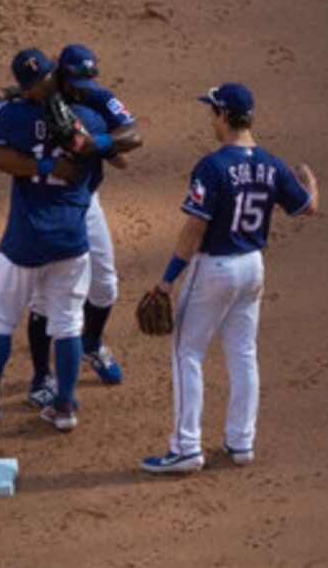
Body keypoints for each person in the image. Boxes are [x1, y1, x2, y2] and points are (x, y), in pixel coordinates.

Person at [136, 83, 318, 474]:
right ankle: (241, 442)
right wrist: (309, 179)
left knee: (187, 352)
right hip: (253, 267)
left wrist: (167, 280)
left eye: (211, 112)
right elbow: (307, 207)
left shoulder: (213, 166)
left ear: (222, 116)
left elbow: (194, 230)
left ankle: (185, 447)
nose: (210, 120)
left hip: (214, 267)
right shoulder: (272, 164)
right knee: (243, 353)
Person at [0, 50, 108, 431]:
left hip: (24, 239)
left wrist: (9, 95)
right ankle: (65, 406)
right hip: (72, 238)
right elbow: (116, 152)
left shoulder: (16, 117)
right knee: (69, 324)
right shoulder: (89, 120)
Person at [24, 43, 143, 401]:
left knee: (105, 285)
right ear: (60, 71)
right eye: (77, 81)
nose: (83, 88)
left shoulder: (98, 96)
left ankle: (92, 343)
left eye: (88, 81)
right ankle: (41, 376)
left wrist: (96, 143)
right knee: (44, 299)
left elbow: (133, 137)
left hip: (86, 202)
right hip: (45, 205)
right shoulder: (40, 93)